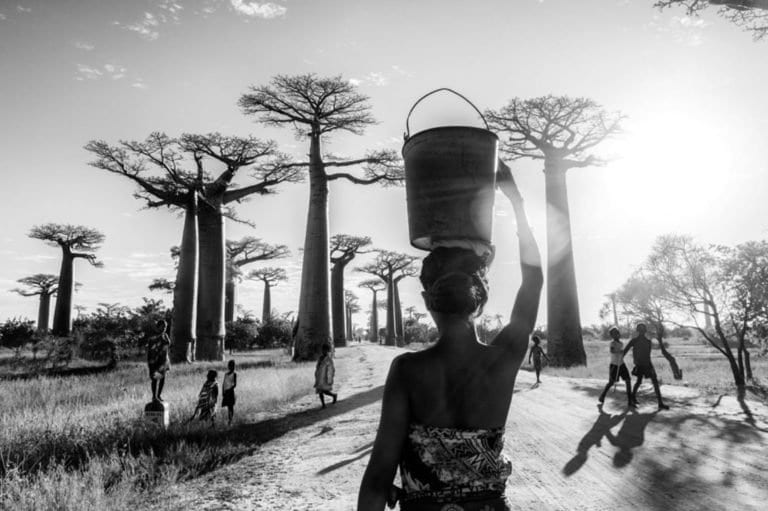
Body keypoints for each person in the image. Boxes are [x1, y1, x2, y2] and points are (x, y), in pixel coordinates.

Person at [357, 160, 543, 511]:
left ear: (428, 301)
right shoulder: (503, 360)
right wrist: (515, 201)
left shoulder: (407, 370)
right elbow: (534, 280)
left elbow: (378, 477)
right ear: (482, 300)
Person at [623, 323, 669, 410]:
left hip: (647, 364)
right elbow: (625, 351)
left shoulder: (648, 342)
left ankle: (660, 403)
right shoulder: (634, 341)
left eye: (642, 329)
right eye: (640, 329)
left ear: (644, 331)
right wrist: (620, 360)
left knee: (652, 382)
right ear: (638, 331)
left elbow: (647, 354)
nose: (641, 331)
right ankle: (633, 398)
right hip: (640, 364)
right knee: (640, 381)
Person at [598, 327, 633, 406]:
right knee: (611, 382)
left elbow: (621, 354)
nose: (616, 335)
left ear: (619, 334)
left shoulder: (621, 343)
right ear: (612, 336)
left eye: (617, 333)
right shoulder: (612, 343)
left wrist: (622, 353)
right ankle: (602, 395)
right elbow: (612, 351)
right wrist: (619, 351)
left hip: (621, 364)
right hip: (614, 365)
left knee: (628, 380)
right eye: (614, 334)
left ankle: (630, 400)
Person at [147, 319, 171, 402]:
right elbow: (150, 351)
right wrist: (150, 363)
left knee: (162, 379)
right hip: (155, 361)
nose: (164, 328)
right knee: (155, 379)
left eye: (165, 327)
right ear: (158, 327)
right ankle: (154, 396)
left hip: (164, 361)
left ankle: (159, 395)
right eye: (163, 327)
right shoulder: (153, 337)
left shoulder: (165, 336)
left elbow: (168, 345)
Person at [314, 344, 338, 408]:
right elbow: (317, 367)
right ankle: (323, 404)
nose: (323, 351)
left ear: (327, 351)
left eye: (325, 350)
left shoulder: (328, 359)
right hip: (319, 377)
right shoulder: (320, 358)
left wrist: (330, 378)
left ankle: (333, 395)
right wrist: (316, 374)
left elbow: (331, 369)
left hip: (325, 378)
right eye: (323, 350)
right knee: (320, 391)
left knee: (325, 391)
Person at [222, 360, 237, 425]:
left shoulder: (234, 374)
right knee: (228, 406)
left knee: (231, 406)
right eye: (230, 366)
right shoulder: (226, 374)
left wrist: (229, 389)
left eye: (233, 366)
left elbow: (235, 384)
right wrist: (223, 391)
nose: (232, 367)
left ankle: (230, 420)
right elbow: (224, 383)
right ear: (228, 367)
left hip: (230, 392)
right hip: (226, 392)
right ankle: (229, 419)